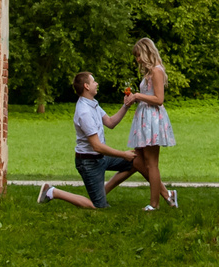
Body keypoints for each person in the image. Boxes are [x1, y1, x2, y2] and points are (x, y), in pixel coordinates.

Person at [36, 70, 140, 210]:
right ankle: (53, 192)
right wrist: (123, 154)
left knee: (136, 161)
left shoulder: (92, 104)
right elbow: (96, 146)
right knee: (98, 207)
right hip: (88, 162)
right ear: (86, 86)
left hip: (101, 158)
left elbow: (110, 122)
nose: (96, 84)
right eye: (93, 81)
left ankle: (101, 192)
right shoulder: (84, 111)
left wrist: (126, 106)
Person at [120, 36, 178, 209]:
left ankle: (155, 204)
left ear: (147, 52)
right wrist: (134, 99)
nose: (137, 60)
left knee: (152, 164)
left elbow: (159, 99)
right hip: (144, 117)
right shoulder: (149, 72)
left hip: (153, 119)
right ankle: (167, 194)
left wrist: (138, 96)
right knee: (137, 160)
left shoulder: (156, 71)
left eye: (139, 55)